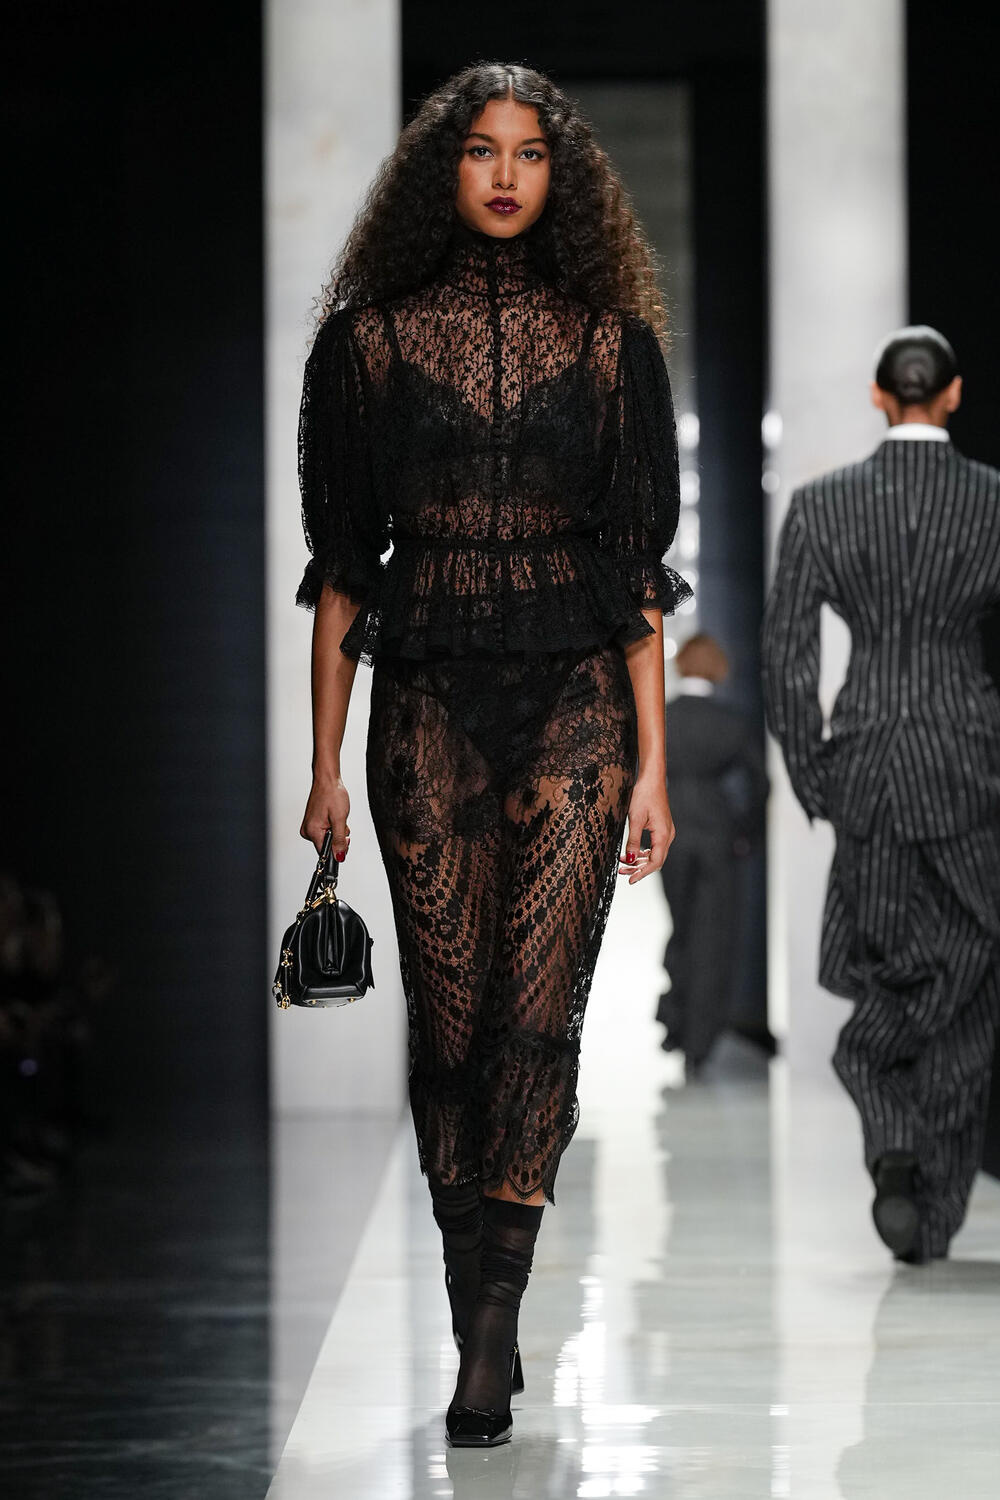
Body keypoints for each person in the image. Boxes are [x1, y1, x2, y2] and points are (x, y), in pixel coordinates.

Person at [295, 64, 689, 1445]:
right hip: (424, 703)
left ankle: (493, 1332)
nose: (507, 173)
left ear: (560, 176)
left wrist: (652, 769)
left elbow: (637, 579)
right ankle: (476, 1298)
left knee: (536, 1016)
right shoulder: (366, 346)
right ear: (442, 171)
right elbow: (342, 572)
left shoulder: (613, 345)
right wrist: (324, 764)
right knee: (453, 1026)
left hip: (575, 699)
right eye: (481, 150)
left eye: (529, 152)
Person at [762, 326, 1000, 1264]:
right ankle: (929, 1206)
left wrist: (816, 774)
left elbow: (787, 657)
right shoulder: (990, 502)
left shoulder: (824, 507)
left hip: (864, 766)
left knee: (884, 966)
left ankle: (893, 1133)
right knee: (971, 978)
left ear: (877, 394)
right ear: (952, 394)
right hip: (968, 763)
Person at [657, 634, 768, 1075]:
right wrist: (744, 833)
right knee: (713, 935)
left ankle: (676, 1023)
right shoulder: (731, 722)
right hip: (719, 837)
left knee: (682, 928)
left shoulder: (663, 719)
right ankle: (699, 1040)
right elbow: (760, 785)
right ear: (718, 668)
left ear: (682, 664)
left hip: (672, 833)